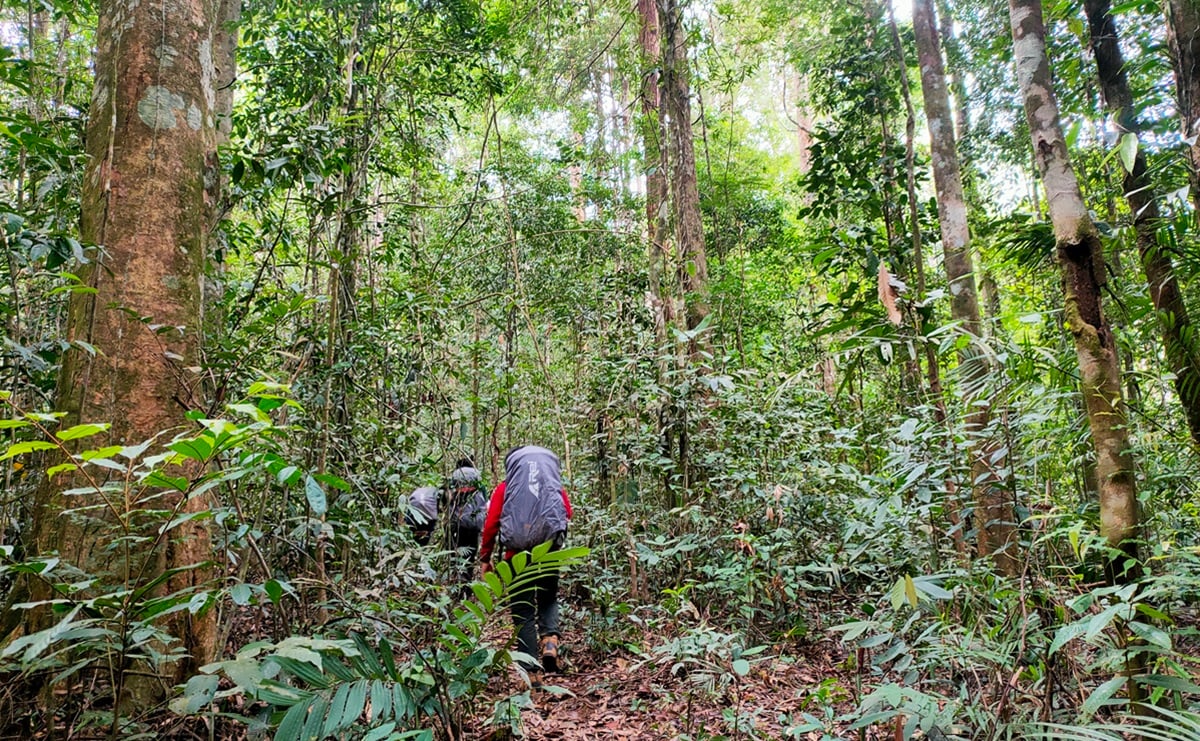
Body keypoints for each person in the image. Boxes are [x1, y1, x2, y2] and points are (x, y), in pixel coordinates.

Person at [479, 445, 573, 685]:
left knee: (523, 611)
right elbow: (567, 513)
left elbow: (491, 523)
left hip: (516, 558)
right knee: (548, 598)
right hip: (548, 552)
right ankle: (550, 640)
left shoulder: (505, 487)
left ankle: (531, 671)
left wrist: (485, 558)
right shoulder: (553, 485)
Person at [445, 458, 487, 581]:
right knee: (470, 553)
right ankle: (466, 583)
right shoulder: (478, 478)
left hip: (457, 523)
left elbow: (446, 499)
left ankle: (456, 578)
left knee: (454, 552)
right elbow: (485, 501)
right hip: (475, 523)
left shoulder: (454, 477)